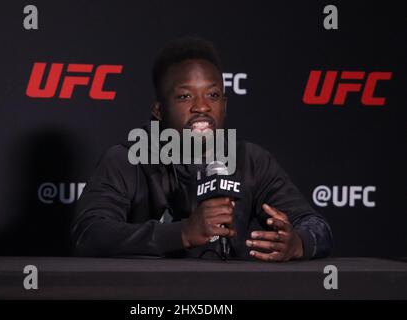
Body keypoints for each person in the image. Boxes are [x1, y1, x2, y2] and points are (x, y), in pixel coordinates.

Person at [71, 37, 333, 261]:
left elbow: (317, 227)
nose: (202, 107)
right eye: (185, 96)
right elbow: (88, 234)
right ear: (158, 110)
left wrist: (297, 243)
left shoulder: (250, 160)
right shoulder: (127, 159)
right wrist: (182, 233)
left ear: (225, 104)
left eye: (213, 95)